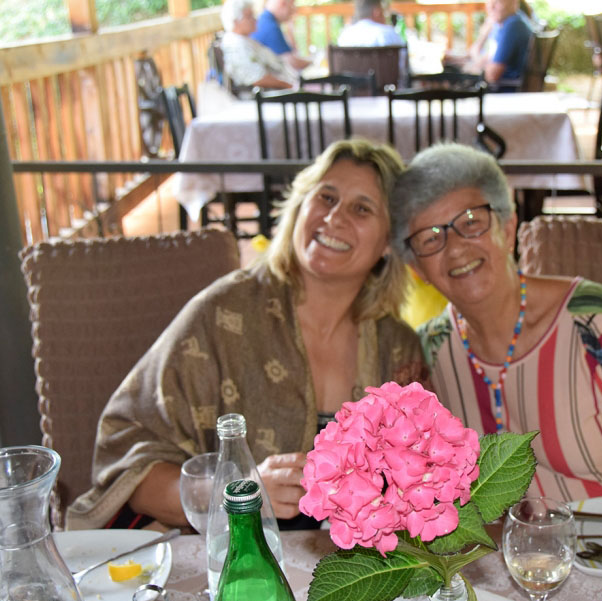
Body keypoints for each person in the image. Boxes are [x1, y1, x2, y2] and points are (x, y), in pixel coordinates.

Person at [67, 139, 428, 531]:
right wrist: (237, 495)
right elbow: (129, 462)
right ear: (300, 207)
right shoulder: (223, 316)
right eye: (326, 197)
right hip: (227, 558)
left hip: (351, 566)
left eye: (362, 208)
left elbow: (421, 487)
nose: (334, 217)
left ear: (389, 243)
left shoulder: (398, 349)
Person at [390, 143, 602, 502]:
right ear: (416, 268)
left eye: (471, 223)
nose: (456, 247)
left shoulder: (591, 319)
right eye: (431, 238)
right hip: (522, 540)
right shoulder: (428, 355)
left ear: (508, 229)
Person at [450, 0, 532, 88]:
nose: (491, 7)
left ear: (513, 2)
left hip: (502, 89)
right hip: (492, 85)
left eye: (497, 2)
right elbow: (485, 57)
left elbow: (492, 75)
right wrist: (484, 34)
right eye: (489, 2)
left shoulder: (513, 25)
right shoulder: (502, 23)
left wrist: (474, 65)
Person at [218, 0, 297, 91]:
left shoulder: (245, 40)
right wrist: (292, 86)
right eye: (249, 16)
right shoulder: (236, 45)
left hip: (281, 88)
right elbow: (258, 78)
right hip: (270, 95)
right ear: (236, 22)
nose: (255, 20)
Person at [252, 0, 311, 71]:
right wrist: (313, 62)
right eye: (292, 5)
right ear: (282, 3)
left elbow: (292, 53)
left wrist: (290, 29)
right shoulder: (270, 26)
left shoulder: (266, 19)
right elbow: (293, 63)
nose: (294, 10)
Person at [337, 0, 405, 47]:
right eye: (383, 12)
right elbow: (402, 60)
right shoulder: (389, 34)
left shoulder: (345, 36)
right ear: (377, 12)